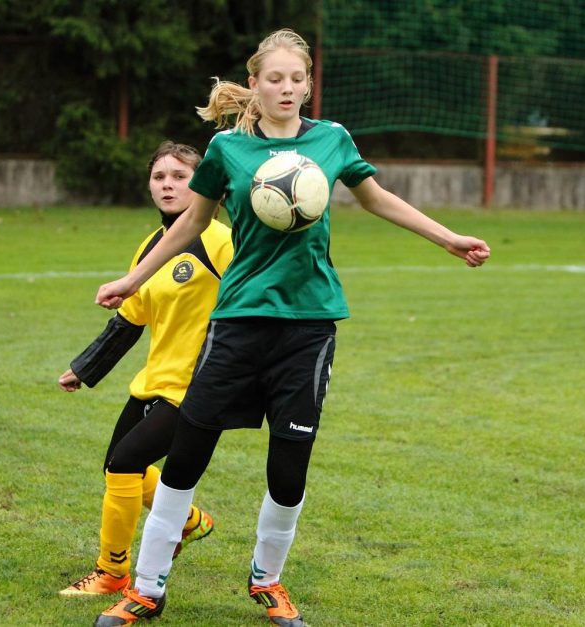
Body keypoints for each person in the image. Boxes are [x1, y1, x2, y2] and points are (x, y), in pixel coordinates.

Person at [93, 29, 490, 627]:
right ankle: (147, 589)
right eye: (274, 79)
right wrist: (133, 280)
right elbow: (189, 226)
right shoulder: (227, 149)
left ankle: (267, 582)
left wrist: (449, 238)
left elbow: (378, 199)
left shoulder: (332, 140)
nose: (286, 88)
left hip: (309, 324)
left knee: (289, 463)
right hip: (239, 322)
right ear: (254, 84)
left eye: (296, 79)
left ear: (309, 84)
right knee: (187, 456)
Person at [57, 141, 233, 600]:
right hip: (155, 380)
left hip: (196, 386)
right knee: (118, 469)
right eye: (160, 177)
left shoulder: (221, 240)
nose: (169, 185)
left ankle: (112, 572)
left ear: (203, 184)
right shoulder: (151, 246)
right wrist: (84, 368)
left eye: (180, 176)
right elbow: (130, 318)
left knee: (125, 463)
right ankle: (190, 521)